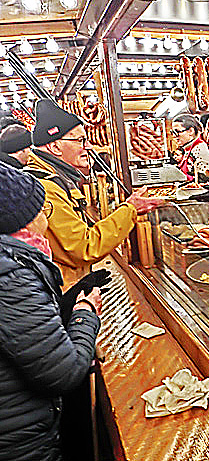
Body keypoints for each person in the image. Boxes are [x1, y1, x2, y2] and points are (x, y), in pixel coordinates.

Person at [0, 162, 102, 461]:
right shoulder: (12, 276)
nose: (46, 217)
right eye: (42, 209)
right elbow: (63, 372)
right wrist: (85, 313)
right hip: (21, 444)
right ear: (25, 222)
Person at [26, 99, 162, 287]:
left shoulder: (53, 179)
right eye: (80, 140)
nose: (89, 147)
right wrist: (130, 210)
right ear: (55, 147)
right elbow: (85, 247)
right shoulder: (46, 188)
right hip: (63, 290)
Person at [171, 113, 209, 180]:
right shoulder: (189, 149)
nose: (174, 136)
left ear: (191, 131)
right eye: (172, 132)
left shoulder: (200, 149)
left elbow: (206, 179)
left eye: (177, 132)